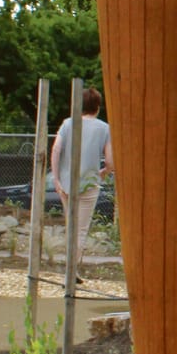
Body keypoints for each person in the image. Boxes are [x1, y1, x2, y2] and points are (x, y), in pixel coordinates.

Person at [50, 88, 113, 267]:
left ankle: (71, 267)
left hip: (66, 182)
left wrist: (56, 179)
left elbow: (56, 149)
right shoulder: (104, 128)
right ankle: (72, 268)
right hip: (89, 183)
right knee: (81, 229)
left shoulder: (68, 124)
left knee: (71, 225)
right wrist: (104, 172)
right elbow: (110, 161)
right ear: (98, 107)